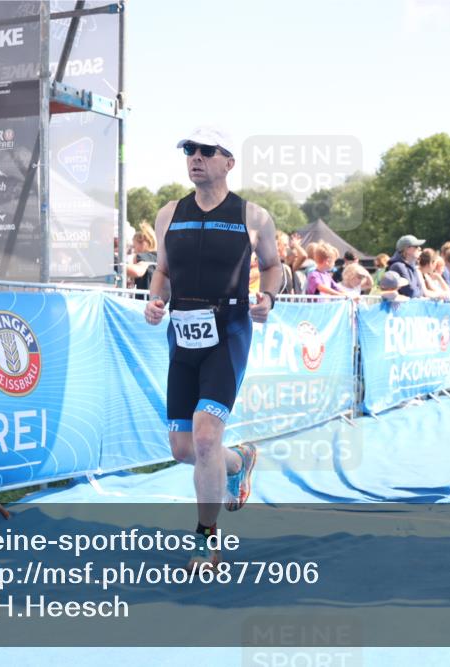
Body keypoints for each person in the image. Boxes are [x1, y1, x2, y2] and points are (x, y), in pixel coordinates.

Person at [143, 126, 281, 572]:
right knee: (184, 449)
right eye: (188, 150)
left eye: (206, 151)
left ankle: (206, 538)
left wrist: (268, 298)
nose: (195, 157)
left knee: (205, 436)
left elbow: (274, 266)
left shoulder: (253, 215)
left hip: (230, 331)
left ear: (228, 163)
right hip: (182, 333)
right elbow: (161, 270)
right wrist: (156, 297)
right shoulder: (169, 213)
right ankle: (239, 461)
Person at [126, 222, 158, 295]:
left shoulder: (141, 256)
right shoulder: (161, 256)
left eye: (134, 246)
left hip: (144, 301)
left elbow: (137, 271)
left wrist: (119, 267)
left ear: (143, 243)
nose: (134, 250)